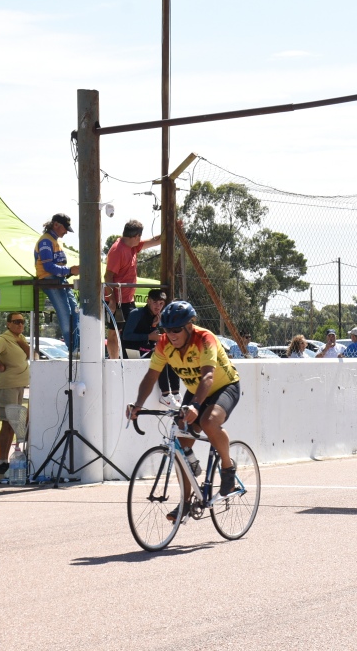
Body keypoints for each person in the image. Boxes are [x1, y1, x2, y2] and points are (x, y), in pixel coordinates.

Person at [126, 301, 240, 521]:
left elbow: (208, 376)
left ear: (190, 325)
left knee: (209, 422)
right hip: (196, 390)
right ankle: (186, 503)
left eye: (176, 329)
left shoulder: (204, 339)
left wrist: (196, 406)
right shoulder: (163, 344)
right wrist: (138, 404)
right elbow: (151, 377)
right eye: (166, 330)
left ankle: (228, 469)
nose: (171, 334)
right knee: (181, 445)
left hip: (223, 386)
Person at [104, 220, 162, 359]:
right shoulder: (117, 250)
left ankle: (127, 358)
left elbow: (154, 241)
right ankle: (114, 362)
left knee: (132, 329)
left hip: (128, 300)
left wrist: (172, 229)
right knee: (114, 331)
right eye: (140, 237)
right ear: (136, 236)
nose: (141, 240)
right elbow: (108, 276)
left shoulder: (133, 246)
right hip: (117, 302)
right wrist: (112, 301)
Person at [0, 312, 31, 475]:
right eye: (16, 322)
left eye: (22, 322)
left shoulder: (19, 338)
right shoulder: (4, 339)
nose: (20, 325)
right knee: (8, 424)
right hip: (7, 386)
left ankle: (6, 460)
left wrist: (19, 340)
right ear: (8, 324)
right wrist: (0, 364)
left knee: (14, 424)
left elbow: (30, 354)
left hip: (19, 385)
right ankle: (1, 461)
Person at [121, 289, 181, 406]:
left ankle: (176, 393)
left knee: (172, 352)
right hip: (132, 350)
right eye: (155, 302)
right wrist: (149, 336)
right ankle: (165, 395)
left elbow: (153, 338)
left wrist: (154, 326)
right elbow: (126, 336)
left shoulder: (157, 316)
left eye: (161, 304)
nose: (158, 306)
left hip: (146, 348)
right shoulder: (136, 313)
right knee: (160, 354)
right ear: (148, 301)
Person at [35, 213, 81, 352]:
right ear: (56, 225)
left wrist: (69, 271)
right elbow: (48, 267)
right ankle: (73, 349)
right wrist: (69, 270)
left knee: (75, 310)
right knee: (65, 314)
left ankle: (77, 347)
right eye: (65, 228)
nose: (66, 232)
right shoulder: (45, 241)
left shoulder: (54, 241)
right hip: (50, 281)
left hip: (59, 280)